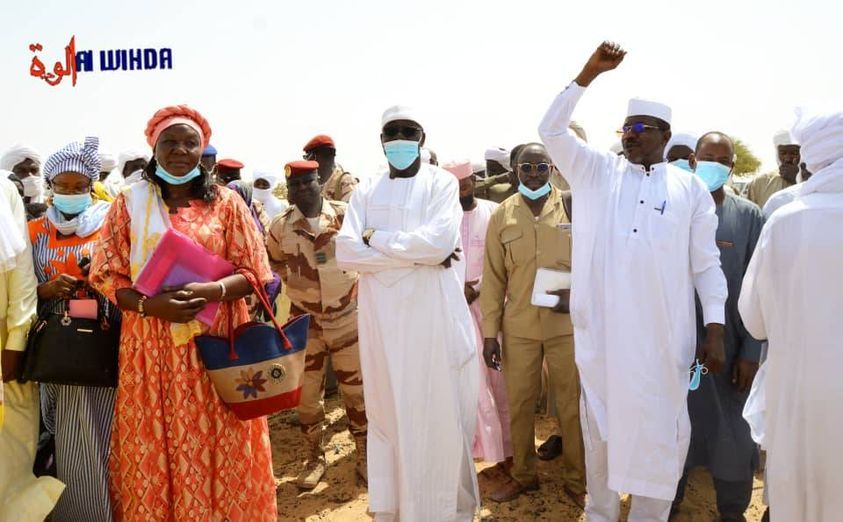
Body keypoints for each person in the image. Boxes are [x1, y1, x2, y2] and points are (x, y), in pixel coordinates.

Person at [538, 42, 727, 521]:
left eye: (642, 129)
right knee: (602, 435)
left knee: (662, 437)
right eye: (626, 128)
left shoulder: (690, 190)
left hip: (663, 344)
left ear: (665, 135)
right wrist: (587, 75)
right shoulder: (597, 171)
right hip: (603, 342)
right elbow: (550, 130)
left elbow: (706, 265)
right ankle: (599, 513)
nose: (631, 136)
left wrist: (716, 327)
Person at [89, 105, 278, 520]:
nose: (179, 150)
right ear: (154, 148)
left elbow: (255, 272)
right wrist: (149, 305)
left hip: (218, 345)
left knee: (225, 438)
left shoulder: (228, 204)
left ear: (202, 149)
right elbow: (105, 274)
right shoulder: (129, 204)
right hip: (151, 349)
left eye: (190, 142)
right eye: (169, 142)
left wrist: (213, 290)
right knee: (155, 442)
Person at [336, 106, 479, 521]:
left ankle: (440, 512)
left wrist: (374, 237)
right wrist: (416, 256)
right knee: (389, 413)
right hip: (382, 325)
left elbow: (439, 245)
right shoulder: (366, 190)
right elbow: (346, 252)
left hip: (432, 320)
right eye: (392, 132)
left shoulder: (441, 183)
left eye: (408, 131)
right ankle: (396, 510)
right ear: (382, 141)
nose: (400, 139)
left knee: (436, 413)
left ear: (422, 137)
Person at [739, 107, 843, 522]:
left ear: (810, 161)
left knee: (798, 497)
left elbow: (754, 320)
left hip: (796, 392)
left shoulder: (784, 220)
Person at [479, 144, 585, 505]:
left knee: (571, 404)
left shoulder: (573, 206)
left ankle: (577, 479)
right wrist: (490, 335)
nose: (535, 174)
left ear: (552, 168)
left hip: (565, 325)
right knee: (520, 404)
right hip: (520, 327)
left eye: (542, 167)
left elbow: (594, 262)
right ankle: (524, 475)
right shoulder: (502, 215)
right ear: (515, 171)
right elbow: (493, 279)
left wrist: (579, 296)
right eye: (527, 167)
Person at [671, 132, 763, 521]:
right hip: (679, 348)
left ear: (733, 167)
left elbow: (760, 288)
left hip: (731, 351)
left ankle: (732, 510)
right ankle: (668, 504)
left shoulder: (749, 216)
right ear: (693, 160)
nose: (714, 166)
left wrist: (751, 353)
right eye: (707, 157)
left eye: (723, 160)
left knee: (734, 437)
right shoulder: (672, 208)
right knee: (675, 433)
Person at [30, 137, 118, 521]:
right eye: (62, 187)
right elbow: (17, 290)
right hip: (55, 345)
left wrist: (97, 277)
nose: (70, 193)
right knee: (63, 432)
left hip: (100, 341)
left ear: (91, 187)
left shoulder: (110, 223)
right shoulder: (35, 231)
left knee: (103, 431)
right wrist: (45, 289)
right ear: (49, 187)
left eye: (79, 186)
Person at [266, 160, 367, 490]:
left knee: (357, 392)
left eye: (307, 182)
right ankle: (314, 457)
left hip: (347, 318)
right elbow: (273, 262)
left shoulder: (345, 215)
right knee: (307, 396)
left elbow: (366, 251)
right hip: (304, 323)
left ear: (318, 182)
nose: (301, 190)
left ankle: (364, 454)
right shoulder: (280, 226)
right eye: (294, 185)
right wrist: (297, 285)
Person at [443, 159, 512, 488]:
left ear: (474, 180)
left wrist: (479, 287)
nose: (462, 189)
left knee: (500, 381)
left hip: (492, 306)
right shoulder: (441, 217)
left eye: (466, 182)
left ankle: (508, 453)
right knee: (471, 384)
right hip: (454, 309)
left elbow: (504, 260)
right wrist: (458, 288)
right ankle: (479, 452)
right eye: (455, 184)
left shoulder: (494, 212)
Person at [0, 175, 64, 521]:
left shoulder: (3, 189)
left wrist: (17, 340)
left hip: (2, 341)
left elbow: (22, 274)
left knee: (8, 453)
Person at [745, 131, 800, 208]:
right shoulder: (760, 182)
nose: (787, 159)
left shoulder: (813, 180)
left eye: (794, 153)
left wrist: (797, 179)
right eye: (783, 153)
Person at [303, 134, 357, 202]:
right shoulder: (315, 184)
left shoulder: (346, 182)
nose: (307, 162)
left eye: (308, 157)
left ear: (315, 157)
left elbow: (351, 207)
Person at [1, 145, 47, 221]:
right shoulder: (3, 210)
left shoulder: (52, 211)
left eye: (34, 170)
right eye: (22, 171)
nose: (30, 175)